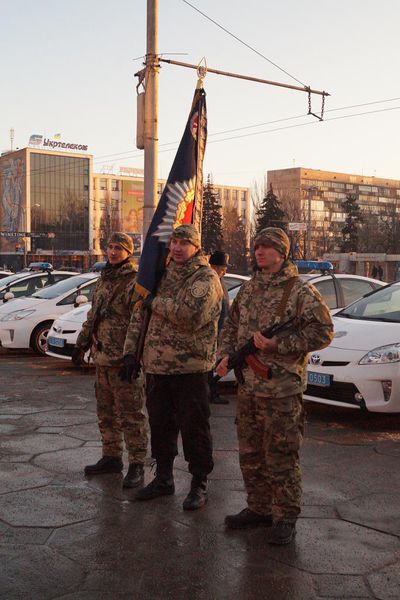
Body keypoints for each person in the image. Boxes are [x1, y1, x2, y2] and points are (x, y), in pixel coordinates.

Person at [216, 227, 333, 545]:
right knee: (251, 454)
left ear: (282, 253)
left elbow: (323, 332)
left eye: (267, 247)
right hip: (249, 389)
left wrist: (278, 344)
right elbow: (231, 323)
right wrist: (226, 354)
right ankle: (259, 508)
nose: (259, 251)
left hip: (281, 390)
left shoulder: (299, 291)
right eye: (257, 247)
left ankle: (285, 517)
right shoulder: (250, 288)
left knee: (281, 455)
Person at [122, 224, 223, 510]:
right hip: (156, 367)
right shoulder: (161, 274)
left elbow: (190, 316)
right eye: (174, 242)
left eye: (184, 243)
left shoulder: (204, 277)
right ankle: (164, 478)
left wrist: (155, 301)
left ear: (196, 247)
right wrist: (131, 353)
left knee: (195, 430)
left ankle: (199, 483)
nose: (177, 248)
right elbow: (139, 313)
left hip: (189, 369)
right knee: (161, 427)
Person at [72, 232, 148, 488]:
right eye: (110, 247)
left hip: (124, 361)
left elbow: (139, 322)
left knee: (131, 414)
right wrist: (81, 343)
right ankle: (111, 456)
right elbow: (94, 315)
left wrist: (132, 356)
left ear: (128, 251)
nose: (113, 252)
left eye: (119, 248)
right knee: (106, 413)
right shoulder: (105, 278)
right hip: (102, 358)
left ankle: (137, 464)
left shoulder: (134, 281)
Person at [208, 250, 230, 404]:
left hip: (220, 331)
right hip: (212, 332)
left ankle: (212, 392)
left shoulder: (220, 282)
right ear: (213, 267)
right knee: (210, 366)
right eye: (222, 268)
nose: (224, 271)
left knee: (215, 365)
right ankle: (210, 393)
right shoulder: (210, 281)